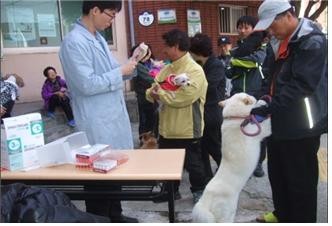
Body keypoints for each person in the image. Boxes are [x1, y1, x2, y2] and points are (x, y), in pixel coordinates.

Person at [59, 1, 138, 223]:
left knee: (113, 170)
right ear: (94, 10)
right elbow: (86, 84)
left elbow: (112, 72)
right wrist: (120, 72)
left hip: (111, 116)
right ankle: (99, 218)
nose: (111, 20)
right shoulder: (74, 42)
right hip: (96, 119)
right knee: (97, 175)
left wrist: (131, 65)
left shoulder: (98, 38)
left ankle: (115, 214)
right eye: (110, 15)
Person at [251, 0, 327, 222]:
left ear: (287, 15)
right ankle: (282, 213)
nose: (270, 31)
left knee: (300, 180)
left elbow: (302, 85)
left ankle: (302, 219)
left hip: (302, 123)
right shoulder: (278, 41)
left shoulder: (312, 42)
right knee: (278, 173)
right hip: (279, 117)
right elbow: (268, 74)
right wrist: (263, 98)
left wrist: (268, 107)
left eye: (272, 25)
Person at [146, 29, 208, 204]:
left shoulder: (195, 70)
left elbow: (184, 98)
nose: (163, 49)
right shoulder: (166, 69)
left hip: (188, 128)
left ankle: (199, 192)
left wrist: (161, 94)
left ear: (176, 46)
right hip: (167, 128)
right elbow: (151, 91)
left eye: (166, 45)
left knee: (193, 164)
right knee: (167, 163)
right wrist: (154, 93)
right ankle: (170, 191)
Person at [226, 15, 267, 178]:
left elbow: (254, 63)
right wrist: (235, 62)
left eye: (246, 27)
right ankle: (243, 163)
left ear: (254, 29)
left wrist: (235, 61)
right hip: (237, 96)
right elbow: (228, 71)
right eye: (240, 27)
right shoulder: (236, 49)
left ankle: (258, 163)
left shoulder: (262, 48)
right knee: (239, 131)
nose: (242, 31)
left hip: (256, 94)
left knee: (259, 130)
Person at [189, 33, 226, 179]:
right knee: (201, 149)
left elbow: (209, 86)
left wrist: (189, 84)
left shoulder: (215, 64)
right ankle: (207, 179)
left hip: (212, 113)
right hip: (200, 112)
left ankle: (227, 172)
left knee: (214, 146)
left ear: (197, 52)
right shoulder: (198, 64)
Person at [131, 44, 159, 141]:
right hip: (143, 96)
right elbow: (151, 78)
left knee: (151, 118)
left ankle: (150, 138)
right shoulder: (138, 65)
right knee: (145, 119)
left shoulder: (149, 63)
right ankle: (144, 140)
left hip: (151, 95)